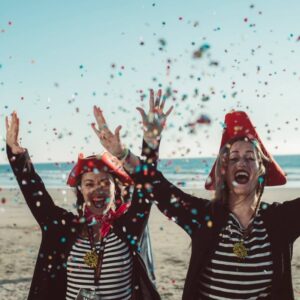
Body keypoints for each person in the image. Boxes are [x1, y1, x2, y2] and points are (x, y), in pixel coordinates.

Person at [92, 90, 300, 300]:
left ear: (261, 169)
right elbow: (157, 187)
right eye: (233, 158)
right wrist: (130, 151)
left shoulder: (280, 220)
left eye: (249, 158)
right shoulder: (204, 216)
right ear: (224, 171)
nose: (241, 162)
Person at [5, 111, 160, 300]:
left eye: (105, 182)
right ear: (81, 190)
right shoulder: (63, 227)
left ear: (115, 189)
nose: (98, 190)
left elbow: (146, 186)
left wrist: (150, 142)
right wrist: (18, 156)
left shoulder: (129, 226)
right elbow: (36, 194)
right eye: (89, 184)